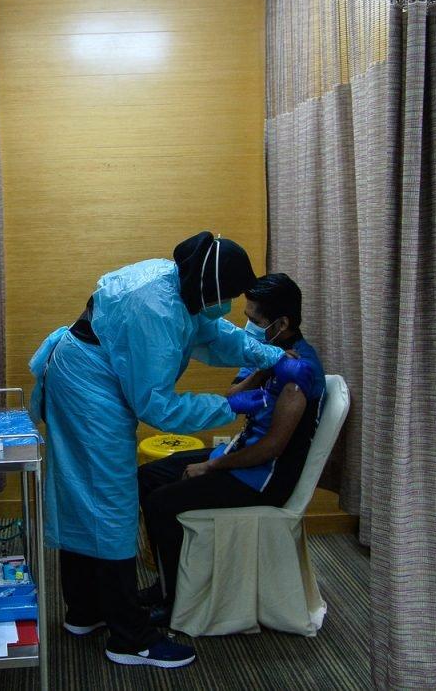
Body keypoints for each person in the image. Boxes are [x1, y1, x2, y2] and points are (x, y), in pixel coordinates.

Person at [29, 232, 298, 669]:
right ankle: (129, 639)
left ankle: (86, 610)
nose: (227, 304)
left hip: (90, 373)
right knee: (111, 503)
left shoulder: (181, 282)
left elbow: (215, 335)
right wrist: (227, 405)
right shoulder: (153, 309)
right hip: (87, 388)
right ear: (207, 287)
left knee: (87, 497)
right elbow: (158, 406)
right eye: (226, 295)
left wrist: (267, 355)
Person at [136, 273, 326, 623]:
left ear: (282, 322)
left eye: (254, 321)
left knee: (162, 503)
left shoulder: (299, 372)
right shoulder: (274, 356)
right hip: (242, 457)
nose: (247, 327)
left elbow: (272, 447)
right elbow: (232, 398)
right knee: (147, 477)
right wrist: (265, 366)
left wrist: (210, 467)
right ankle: (165, 583)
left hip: (265, 479)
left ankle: (177, 600)